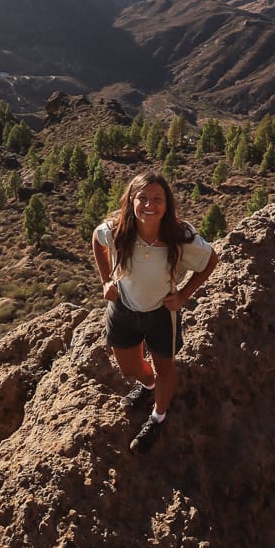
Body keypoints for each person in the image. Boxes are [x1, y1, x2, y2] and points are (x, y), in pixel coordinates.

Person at [92, 170, 218, 453]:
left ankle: (158, 417)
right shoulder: (117, 230)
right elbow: (96, 241)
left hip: (161, 314)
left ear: (167, 203)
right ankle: (148, 386)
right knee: (129, 368)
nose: (149, 205)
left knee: (165, 368)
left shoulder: (179, 236)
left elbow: (211, 259)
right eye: (143, 198)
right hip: (123, 309)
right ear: (131, 201)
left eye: (157, 199)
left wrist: (184, 295)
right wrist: (106, 281)